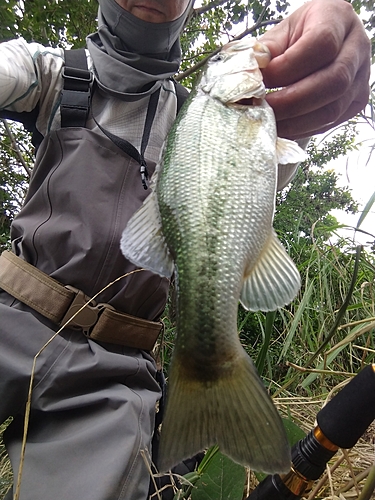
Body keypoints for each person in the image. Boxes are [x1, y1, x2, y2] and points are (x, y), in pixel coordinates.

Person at [0, 0, 370, 499]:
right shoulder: (51, 74)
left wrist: (323, 56)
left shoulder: (210, 118)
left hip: (114, 372)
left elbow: (267, 172)